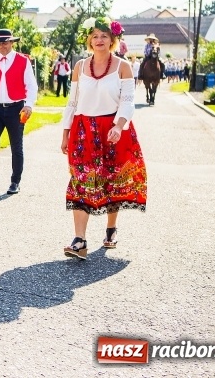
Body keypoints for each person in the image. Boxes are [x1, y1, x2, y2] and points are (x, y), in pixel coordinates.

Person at [60, 17, 147, 260]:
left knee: (112, 180)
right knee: (80, 180)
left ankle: (110, 229)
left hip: (112, 129)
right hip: (83, 129)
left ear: (113, 40)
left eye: (104, 36)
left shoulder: (122, 67)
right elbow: (73, 102)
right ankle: (80, 240)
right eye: (95, 36)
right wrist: (65, 132)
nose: (99, 40)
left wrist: (119, 126)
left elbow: (128, 102)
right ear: (89, 40)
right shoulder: (79, 66)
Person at [0, 28, 38, 197]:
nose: (2, 46)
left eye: (5, 42)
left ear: (12, 42)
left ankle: (15, 182)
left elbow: (31, 86)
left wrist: (29, 105)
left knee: (16, 147)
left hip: (16, 109)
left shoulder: (22, 61)